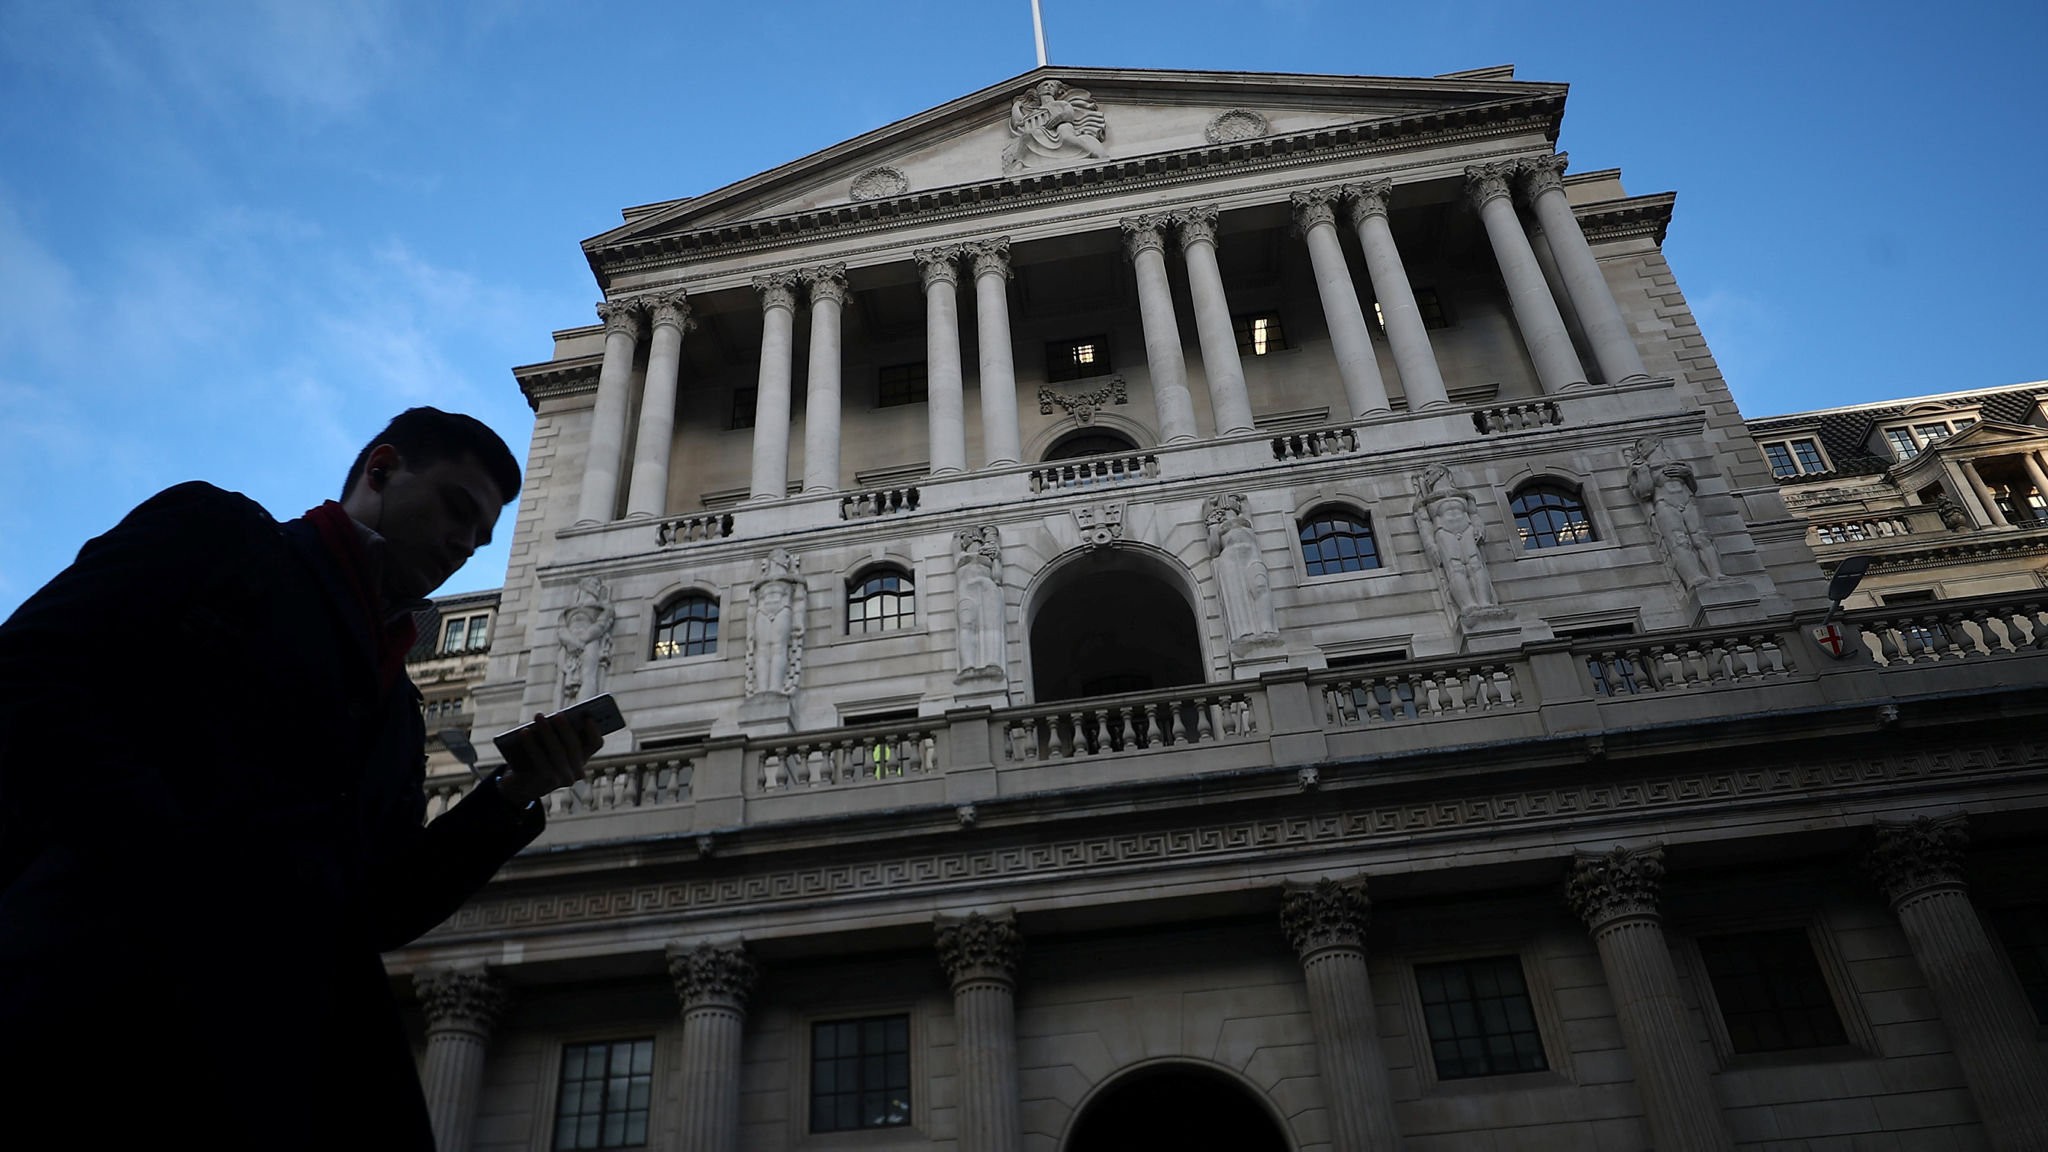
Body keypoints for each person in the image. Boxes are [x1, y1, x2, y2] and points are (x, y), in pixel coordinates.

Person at [0, 407, 602, 1149]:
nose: (463, 545)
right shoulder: (220, 536)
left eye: (481, 537)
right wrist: (184, 863)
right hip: (96, 998)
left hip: (267, 1057)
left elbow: (379, 905)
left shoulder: (399, 711)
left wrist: (511, 794)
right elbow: (29, 674)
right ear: (381, 469)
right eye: (455, 508)